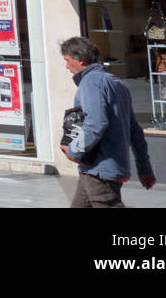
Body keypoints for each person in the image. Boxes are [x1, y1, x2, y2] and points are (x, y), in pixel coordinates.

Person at [60, 36, 155, 208]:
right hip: (98, 167)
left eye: (67, 60)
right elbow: (134, 130)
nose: (66, 66)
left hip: (100, 167)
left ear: (80, 59)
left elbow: (95, 124)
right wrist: (144, 167)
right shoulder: (116, 83)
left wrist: (73, 151)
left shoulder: (91, 82)